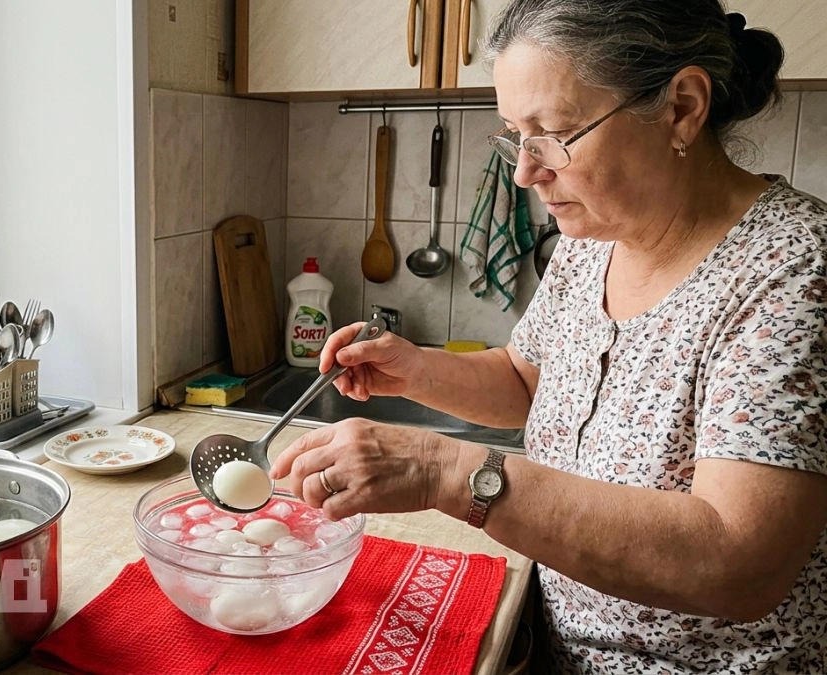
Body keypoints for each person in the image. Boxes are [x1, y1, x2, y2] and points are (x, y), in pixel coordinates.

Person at [269, 1, 827, 672]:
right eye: (515, 136)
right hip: (558, 644)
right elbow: (529, 382)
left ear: (680, 107)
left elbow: (739, 562)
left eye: (553, 134)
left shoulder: (795, 268)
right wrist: (414, 369)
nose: (525, 173)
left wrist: (443, 472)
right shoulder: (594, 237)